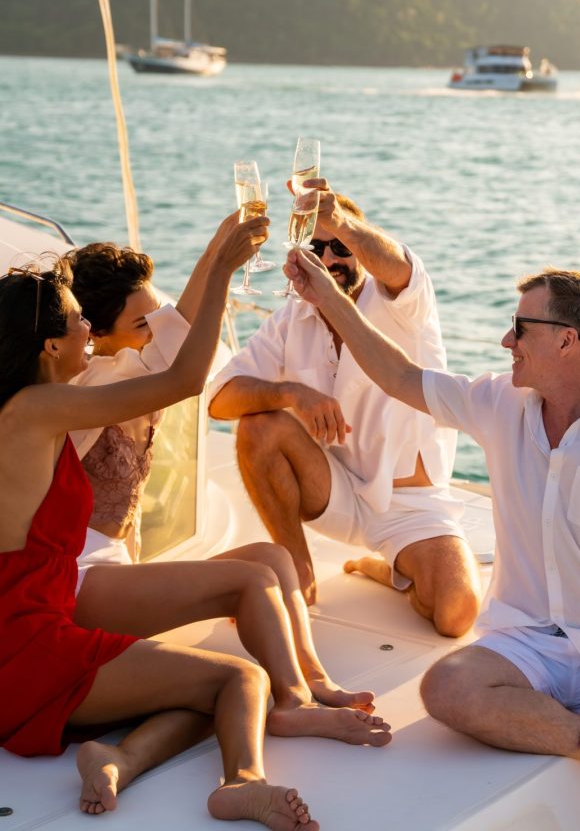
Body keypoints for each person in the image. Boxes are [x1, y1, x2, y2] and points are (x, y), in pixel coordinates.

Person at [281, 252, 580, 831]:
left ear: (566, 341)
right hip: (524, 645)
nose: (507, 340)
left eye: (522, 328)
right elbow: (399, 376)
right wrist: (327, 295)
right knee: (446, 685)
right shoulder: (499, 402)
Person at [0, 223, 323, 829]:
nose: (88, 334)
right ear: (48, 346)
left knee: (201, 688)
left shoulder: (26, 411)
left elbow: (166, 348)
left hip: (24, 648)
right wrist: (223, 269)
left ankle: (117, 758)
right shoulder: (37, 411)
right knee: (243, 679)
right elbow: (182, 379)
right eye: (77, 323)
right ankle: (242, 783)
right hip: (31, 651)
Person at [65, 218, 387, 721]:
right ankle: (292, 705)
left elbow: (178, 327)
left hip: (119, 575)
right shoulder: (92, 390)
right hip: (79, 581)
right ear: (96, 333)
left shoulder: (135, 367)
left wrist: (219, 247)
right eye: (141, 327)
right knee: (252, 578)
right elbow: (184, 362)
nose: (157, 334)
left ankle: (315, 680)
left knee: (274, 558)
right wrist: (220, 266)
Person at [208, 180, 480, 637]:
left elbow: (395, 263)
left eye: (340, 247)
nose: (330, 259)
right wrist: (292, 393)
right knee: (259, 425)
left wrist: (341, 222)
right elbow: (219, 398)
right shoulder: (294, 317)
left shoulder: (400, 302)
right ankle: (299, 571)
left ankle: (389, 570)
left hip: (410, 506)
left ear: (358, 249)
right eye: (318, 248)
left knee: (456, 613)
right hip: (333, 490)